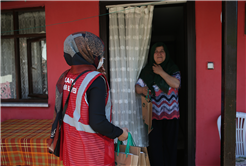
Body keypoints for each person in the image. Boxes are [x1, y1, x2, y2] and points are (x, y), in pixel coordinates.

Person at [49, 31, 128, 166]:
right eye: (97, 53)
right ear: (86, 54)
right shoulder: (95, 80)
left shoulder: (66, 76)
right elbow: (97, 122)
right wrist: (120, 133)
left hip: (72, 149)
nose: (100, 57)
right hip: (92, 153)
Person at [135, 42, 181, 166]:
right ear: (152, 54)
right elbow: (137, 87)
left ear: (166, 53)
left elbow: (176, 84)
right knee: (155, 147)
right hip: (153, 115)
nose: (159, 54)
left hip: (171, 115)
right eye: (156, 51)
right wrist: (142, 90)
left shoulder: (172, 68)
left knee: (170, 147)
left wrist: (161, 72)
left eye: (162, 51)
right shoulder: (147, 70)